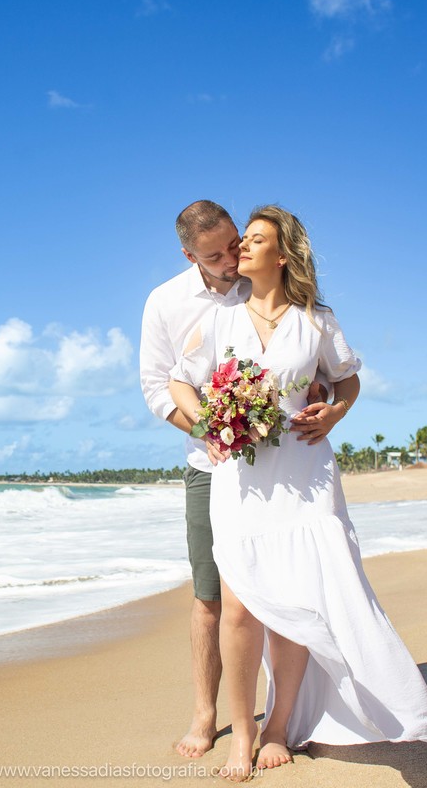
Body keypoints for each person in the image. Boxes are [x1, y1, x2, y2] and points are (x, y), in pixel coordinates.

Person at [168, 205, 427, 781]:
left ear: (283, 254)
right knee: (240, 608)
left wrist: (335, 413)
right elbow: (177, 380)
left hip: (306, 473)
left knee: (293, 605)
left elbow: (347, 377)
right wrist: (208, 425)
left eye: (255, 240)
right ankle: (242, 735)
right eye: (241, 241)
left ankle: (279, 727)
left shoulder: (318, 320)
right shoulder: (219, 316)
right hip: (241, 479)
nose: (241, 248)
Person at [139, 200, 345, 759]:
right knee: (215, 598)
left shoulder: (279, 289)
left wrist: (323, 401)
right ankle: (210, 716)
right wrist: (213, 429)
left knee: (286, 595)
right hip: (216, 469)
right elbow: (160, 387)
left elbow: (323, 373)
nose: (232, 258)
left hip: (289, 474)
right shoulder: (168, 302)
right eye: (217, 254)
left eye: (237, 244)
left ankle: (280, 719)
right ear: (190, 256)